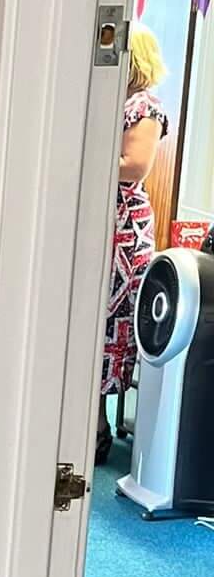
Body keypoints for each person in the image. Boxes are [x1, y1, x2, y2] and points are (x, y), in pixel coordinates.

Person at [99, 24, 170, 462]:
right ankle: (95, 429)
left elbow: (135, 165)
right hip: (110, 228)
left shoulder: (144, 106)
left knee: (109, 330)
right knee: (99, 329)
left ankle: (97, 431)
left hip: (126, 233)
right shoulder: (118, 102)